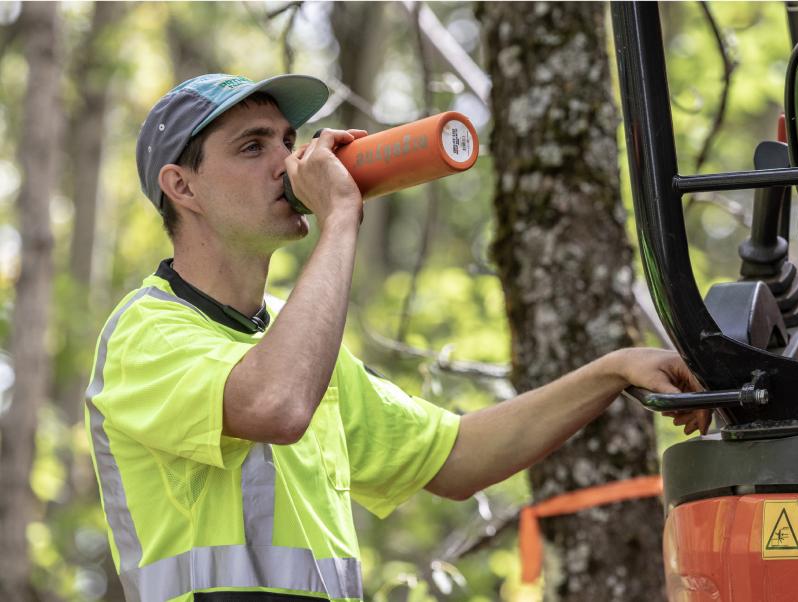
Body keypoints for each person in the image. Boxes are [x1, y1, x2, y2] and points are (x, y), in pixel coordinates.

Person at [85, 73, 710, 601]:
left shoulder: (294, 341)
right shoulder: (146, 335)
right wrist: (339, 222)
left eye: (288, 140)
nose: (288, 163)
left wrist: (612, 370)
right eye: (252, 147)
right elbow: (275, 404)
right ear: (182, 187)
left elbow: (457, 458)